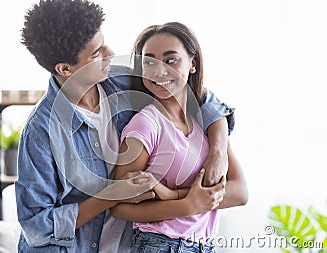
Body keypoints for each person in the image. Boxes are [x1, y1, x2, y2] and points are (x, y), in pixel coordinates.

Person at [15, 0, 235, 252]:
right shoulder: (41, 131)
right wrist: (111, 194)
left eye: (104, 43)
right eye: (96, 53)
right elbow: (37, 226)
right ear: (65, 69)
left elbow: (197, 93)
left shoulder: (120, 80)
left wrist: (218, 150)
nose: (109, 54)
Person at [110, 22, 248, 253]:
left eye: (171, 59)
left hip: (203, 245)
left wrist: (172, 195)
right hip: (158, 244)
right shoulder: (146, 124)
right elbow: (118, 206)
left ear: (192, 64)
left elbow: (240, 192)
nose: (159, 70)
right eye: (149, 61)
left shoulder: (207, 123)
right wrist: (185, 206)